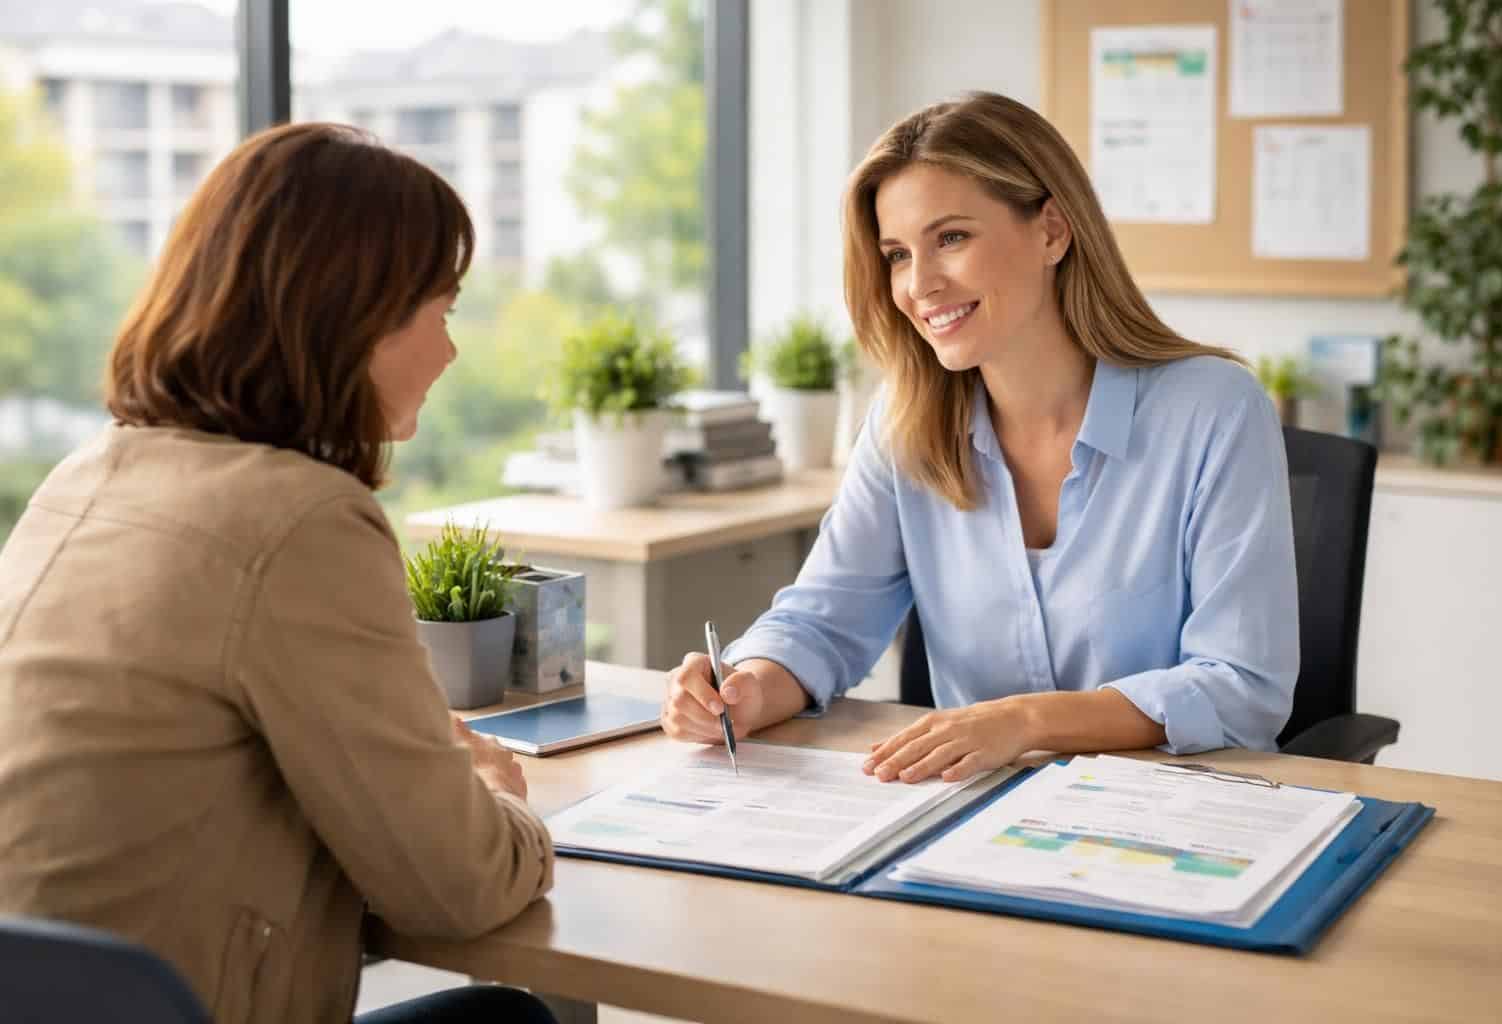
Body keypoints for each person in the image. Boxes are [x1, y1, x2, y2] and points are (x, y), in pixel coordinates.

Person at [0, 123, 557, 1023]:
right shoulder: (303, 520)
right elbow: (459, 885)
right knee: (505, 1019)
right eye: (441, 310)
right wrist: (499, 801)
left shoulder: (86, 475)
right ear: (358, 314)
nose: (449, 352)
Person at [662, 92, 1298, 784]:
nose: (920, 284)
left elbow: (1241, 688)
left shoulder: (1212, 410)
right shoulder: (905, 424)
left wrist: (1024, 721)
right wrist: (749, 687)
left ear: (1053, 231)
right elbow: (824, 623)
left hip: (1173, 814)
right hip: (972, 816)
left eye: (952, 238)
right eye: (897, 254)